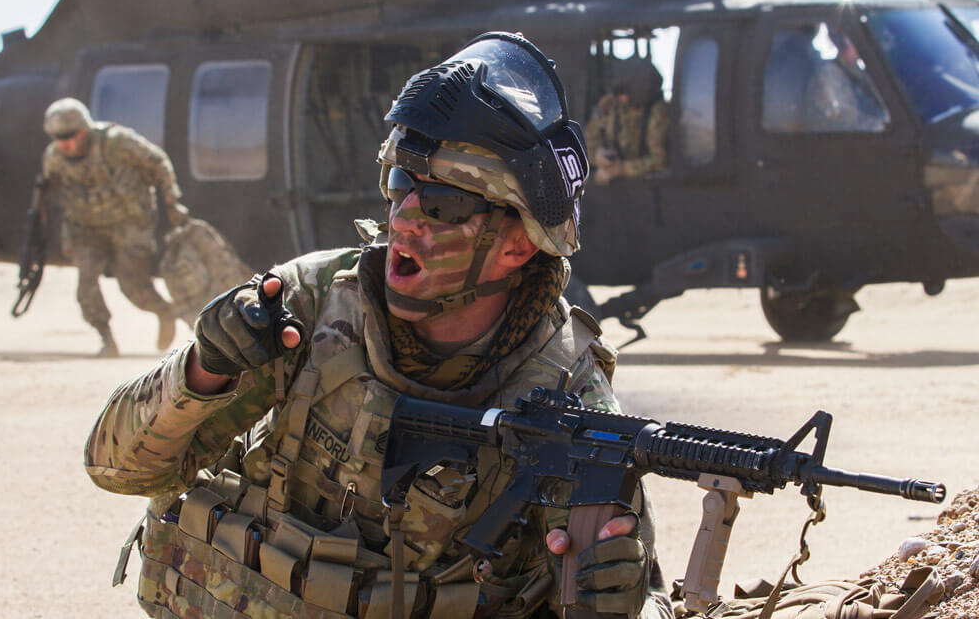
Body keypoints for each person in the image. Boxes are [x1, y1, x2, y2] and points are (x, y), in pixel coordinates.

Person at [85, 33, 674, 619]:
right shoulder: (308, 305)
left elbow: (643, 596)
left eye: (443, 204)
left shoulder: (569, 396)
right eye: (399, 185)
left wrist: (615, 599)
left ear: (519, 244)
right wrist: (202, 372)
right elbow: (116, 467)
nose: (404, 217)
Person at [40, 97, 186, 356]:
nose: (66, 143)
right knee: (86, 282)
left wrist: (172, 202)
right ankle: (106, 338)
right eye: (59, 137)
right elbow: (50, 191)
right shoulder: (54, 158)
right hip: (87, 229)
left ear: (85, 129)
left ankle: (164, 312)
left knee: (133, 288)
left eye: (71, 135)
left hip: (128, 224)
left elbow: (159, 163)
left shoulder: (117, 143)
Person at [584, 65, 670, 185]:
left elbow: (659, 160)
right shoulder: (613, 108)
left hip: (648, 187)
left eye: (623, 92)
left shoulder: (658, 114)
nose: (619, 97)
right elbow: (587, 139)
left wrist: (623, 169)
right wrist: (598, 155)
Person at [803, 27, 889, 132]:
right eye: (853, 42)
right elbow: (841, 118)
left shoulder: (858, 72)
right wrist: (879, 126)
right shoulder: (829, 75)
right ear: (843, 44)